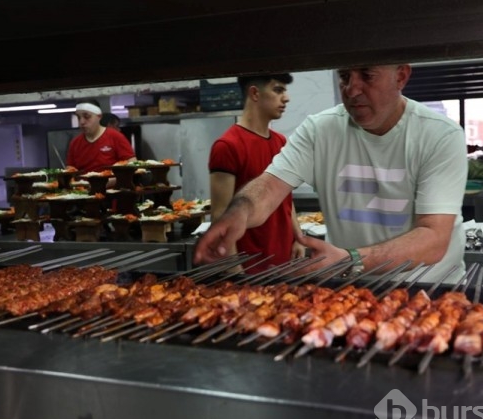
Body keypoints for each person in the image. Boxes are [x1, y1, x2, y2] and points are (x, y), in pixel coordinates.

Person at [195, 64, 468, 282]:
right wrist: (240, 210)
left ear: (401, 76)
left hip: (430, 295)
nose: (352, 89)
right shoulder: (320, 130)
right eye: (345, 76)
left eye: (367, 75)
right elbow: (268, 187)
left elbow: (433, 237)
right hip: (351, 294)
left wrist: (352, 259)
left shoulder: (439, 135)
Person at [208, 73, 305, 273]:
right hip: (250, 268)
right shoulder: (228, 146)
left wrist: (298, 238)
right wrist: (235, 273)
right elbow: (220, 215)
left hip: (284, 263)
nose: (286, 98)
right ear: (255, 93)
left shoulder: (281, 143)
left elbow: (286, 199)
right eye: (278, 90)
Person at [66, 100, 136, 173]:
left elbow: (132, 164)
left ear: (99, 116)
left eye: (87, 117)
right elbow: (70, 170)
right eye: (78, 117)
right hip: (83, 184)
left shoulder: (115, 136)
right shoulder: (75, 143)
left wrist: (115, 179)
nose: (81, 122)